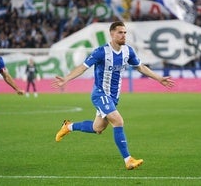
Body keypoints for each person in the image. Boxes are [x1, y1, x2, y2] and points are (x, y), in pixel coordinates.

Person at [52, 21, 175, 170]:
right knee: (118, 121)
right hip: (100, 93)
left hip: (114, 97)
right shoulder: (101, 52)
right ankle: (128, 160)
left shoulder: (128, 51)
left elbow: (140, 67)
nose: (123, 35)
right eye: (120, 32)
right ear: (112, 34)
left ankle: (68, 126)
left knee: (97, 127)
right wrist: (66, 78)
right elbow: (83, 67)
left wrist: (159, 78)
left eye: (125, 32)